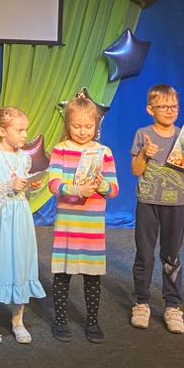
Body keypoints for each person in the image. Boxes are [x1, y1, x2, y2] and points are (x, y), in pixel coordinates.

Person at [128, 84, 184, 334]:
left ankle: (173, 305)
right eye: (163, 107)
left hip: (176, 203)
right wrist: (144, 153)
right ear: (150, 109)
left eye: (174, 106)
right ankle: (141, 302)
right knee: (145, 254)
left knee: (171, 255)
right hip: (148, 201)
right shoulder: (143, 134)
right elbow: (136, 170)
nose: (170, 111)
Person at [47, 92, 118, 343]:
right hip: (68, 223)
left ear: (96, 125)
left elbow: (114, 189)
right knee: (62, 274)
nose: (82, 131)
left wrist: (101, 185)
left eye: (88, 126)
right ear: (68, 124)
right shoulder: (61, 150)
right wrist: (77, 190)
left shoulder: (104, 152)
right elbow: (53, 184)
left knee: (92, 275)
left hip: (92, 226)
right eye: (76, 126)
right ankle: (60, 320)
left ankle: (92, 321)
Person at [0, 107, 47, 344]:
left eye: (26, 130)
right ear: (3, 131)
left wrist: (30, 187)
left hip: (19, 216)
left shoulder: (24, 158)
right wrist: (8, 186)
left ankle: (18, 320)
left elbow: (21, 190)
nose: (25, 134)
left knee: (20, 262)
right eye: (20, 130)